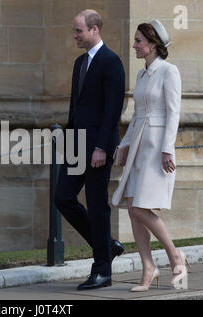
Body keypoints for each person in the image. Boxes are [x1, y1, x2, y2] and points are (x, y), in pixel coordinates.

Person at [112, 20, 190, 291]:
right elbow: (137, 116)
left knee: (139, 207)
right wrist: (123, 146)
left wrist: (168, 149)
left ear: (154, 44)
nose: (134, 46)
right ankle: (149, 268)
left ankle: (174, 256)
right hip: (138, 148)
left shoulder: (169, 71)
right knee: (133, 209)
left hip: (157, 148)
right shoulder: (142, 75)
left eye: (138, 41)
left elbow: (173, 113)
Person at [54, 9, 126, 291]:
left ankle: (102, 270)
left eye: (78, 31)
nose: (74, 36)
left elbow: (112, 111)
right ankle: (107, 246)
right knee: (63, 198)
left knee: (98, 208)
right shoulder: (79, 63)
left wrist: (100, 148)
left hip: (98, 149)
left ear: (94, 30)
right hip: (77, 147)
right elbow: (76, 109)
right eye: (74, 30)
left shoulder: (111, 62)